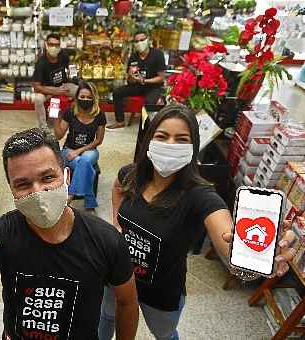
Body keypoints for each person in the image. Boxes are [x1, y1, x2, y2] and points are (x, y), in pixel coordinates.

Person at [98, 103, 296, 340]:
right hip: (118, 277)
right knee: (107, 318)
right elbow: (118, 187)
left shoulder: (200, 196)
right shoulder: (131, 174)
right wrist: (116, 222)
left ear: (193, 147)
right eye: (162, 136)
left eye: (181, 139)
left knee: (165, 335)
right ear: (149, 140)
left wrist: (252, 259)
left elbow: (227, 239)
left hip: (161, 293)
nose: (170, 144)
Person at [0, 128, 139, 340]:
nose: (37, 192)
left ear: (66, 176)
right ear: (11, 190)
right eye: (23, 184)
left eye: (47, 178)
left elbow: (127, 302)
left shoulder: (106, 240)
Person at [54, 82, 106, 211]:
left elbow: (99, 140)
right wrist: (55, 118)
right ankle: (90, 202)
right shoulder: (70, 113)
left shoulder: (99, 115)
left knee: (84, 160)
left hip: (89, 149)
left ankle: (70, 195)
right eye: (82, 97)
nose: (85, 100)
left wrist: (79, 151)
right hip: (68, 150)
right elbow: (59, 136)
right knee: (86, 166)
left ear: (94, 98)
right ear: (77, 97)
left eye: (89, 97)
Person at [106, 30, 166, 130]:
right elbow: (130, 79)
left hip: (154, 86)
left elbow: (161, 78)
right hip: (138, 85)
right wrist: (131, 77)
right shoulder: (134, 57)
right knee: (117, 92)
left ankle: (147, 127)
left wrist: (145, 81)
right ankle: (120, 121)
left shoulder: (157, 54)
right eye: (136, 41)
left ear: (148, 40)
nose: (139, 43)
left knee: (149, 101)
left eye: (142, 40)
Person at [32, 33, 78, 129]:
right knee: (38, 99)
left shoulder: (63, 54)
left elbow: (70, 65)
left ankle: (76, 119)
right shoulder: (41, 62)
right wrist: (56, 91)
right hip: (46, 89)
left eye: (56, 45)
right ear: (46, 45)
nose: (54, 47)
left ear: (60, 46)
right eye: (51, 44)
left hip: (63, 85)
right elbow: (36, 87)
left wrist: (74, 76)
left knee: (81, 91)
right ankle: (43, 127)